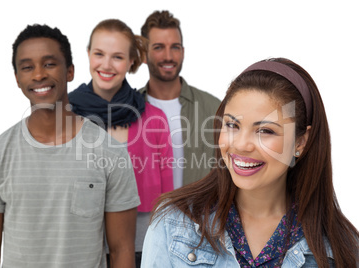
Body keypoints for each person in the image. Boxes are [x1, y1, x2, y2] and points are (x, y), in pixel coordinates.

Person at [141, 58, 359, 267]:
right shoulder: (173, 223)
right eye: (232, 125)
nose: (241, 145)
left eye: (265, 131)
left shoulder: (342, 248)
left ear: (300, 142)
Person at [0, 24, 140, 268]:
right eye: (27, 67)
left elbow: (122, 250)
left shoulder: (110, 153)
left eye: (49, 64)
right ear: (17, 79)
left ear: (70, 71)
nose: (38, 75)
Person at [68, 19, 173, 267]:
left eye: (117, 57)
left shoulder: (154, 118)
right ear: (88, 55)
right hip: (81, 243)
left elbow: (169, 195)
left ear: (131, 62)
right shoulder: (65, 115)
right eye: (99, 54)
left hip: (142, 244)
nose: (106, 65)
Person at [139, 10, 222, 189]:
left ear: (183, 52)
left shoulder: (213, 108)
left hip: (197, 216)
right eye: (158, 47)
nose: (168, 56)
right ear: (144, 54)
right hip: (142, 216)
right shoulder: (127, 108)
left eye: (175, 47)